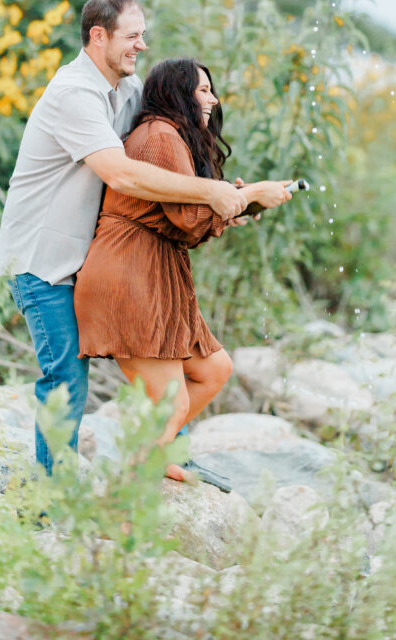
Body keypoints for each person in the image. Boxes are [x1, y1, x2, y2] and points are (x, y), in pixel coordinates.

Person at [0, 0, 291, 473]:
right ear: (98, 36)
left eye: (144, 36)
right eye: (132, 36)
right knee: (66, 377)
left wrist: (223, 198)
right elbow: (123, 174)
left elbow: (162, 148)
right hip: (42, 257)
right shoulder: (74, 93)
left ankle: (165, 456)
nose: (141, 46)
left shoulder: (129, 90)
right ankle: (54, 501)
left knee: (171, 369)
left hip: (92, 255)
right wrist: (208, 192)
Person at [74, 57, 293, 487]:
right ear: (178, 92)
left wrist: (236, 205)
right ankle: (128, 497)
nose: (212, 99)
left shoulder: (167, 135)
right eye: (203, 90)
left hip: (151, 273)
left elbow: (189, 216)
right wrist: (247, 195)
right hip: (129, 275)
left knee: (214, 369)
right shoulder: (160, 136)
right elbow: (190, 218)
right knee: (172, 404)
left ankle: (149, 456)